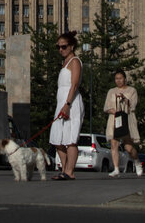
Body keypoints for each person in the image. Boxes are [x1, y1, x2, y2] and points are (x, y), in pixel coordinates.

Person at [49, 31, 83, 180]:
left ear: (72, 46)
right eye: (58, 47)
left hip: (71, 102)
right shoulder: (65, 63)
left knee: (70, 139)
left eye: (64, 46)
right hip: (61, 101)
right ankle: (64, 169)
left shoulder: (75, 61)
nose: (60, 50)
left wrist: (67, 104)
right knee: (57, 138)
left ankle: (69, 171)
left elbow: (74, 85)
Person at [103, 69, 143, 177]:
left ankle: (137, 161)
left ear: (125, 79)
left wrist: (126, 100)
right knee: (114, 143)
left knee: (128, 148)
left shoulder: (132, 90)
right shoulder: (111, 91)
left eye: (120, 78)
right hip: (114, 119)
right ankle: (116, 169)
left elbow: (133, 105)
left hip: (126, 119)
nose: (118, 81)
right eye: (116, 79)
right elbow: (106, 107)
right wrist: (112, 111)